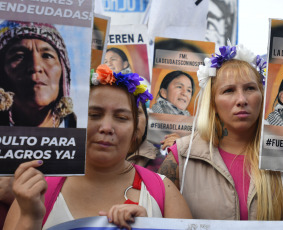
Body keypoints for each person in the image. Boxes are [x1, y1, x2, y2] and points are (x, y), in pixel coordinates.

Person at [158, 42, 283, 220]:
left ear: (262, 97)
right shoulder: (180, 157)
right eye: (229, 90)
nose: (241, 99)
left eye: (250, 88)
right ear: (213, 103)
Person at [4, 64, 192, 230]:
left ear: (136, 130)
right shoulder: (37, 188)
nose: (106, 128)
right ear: (76, 121)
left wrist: (148, 228)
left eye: (121, 118)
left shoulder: (163, 192)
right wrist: (30, 218)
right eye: (94, 114)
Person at [0, 20, 76, 128]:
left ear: (64, 72)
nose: (35, 67)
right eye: (19, 56)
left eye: (47, 56)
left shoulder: (83, 130)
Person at [127, 102, 166, 173]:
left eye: (136, 112)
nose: (131, 119)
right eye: (120, 116)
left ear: (147, 119)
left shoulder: (162, 164)